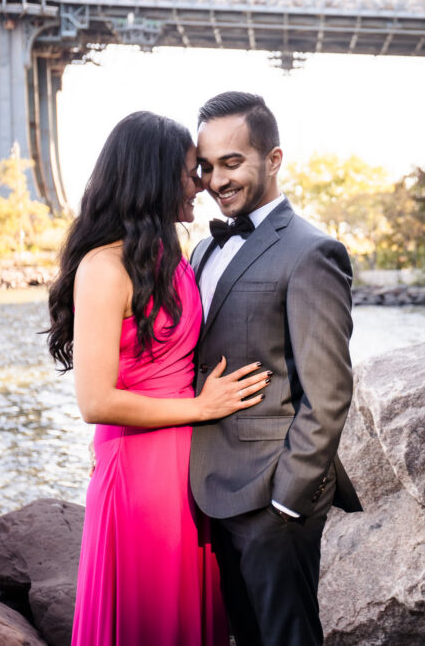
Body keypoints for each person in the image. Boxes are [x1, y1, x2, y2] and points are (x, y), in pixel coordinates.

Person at [45, 111, 271, 646]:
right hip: (139, 472)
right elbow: (96, 400)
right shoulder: (104, 268)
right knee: (146, 618)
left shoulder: (173, 258)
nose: (202, 183)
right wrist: (201, 407)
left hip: (190, 469)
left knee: (191, 619)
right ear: (153, 175)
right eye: (191, 170)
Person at [189, 91, 363, 646]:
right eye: (208, 166)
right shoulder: (200, 251)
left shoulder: (312, 252)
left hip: (272, 499)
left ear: (274, 159)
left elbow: (329, 390)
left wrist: (288, 499)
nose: (217, 180)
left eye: (232, 163)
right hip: (208, 494)